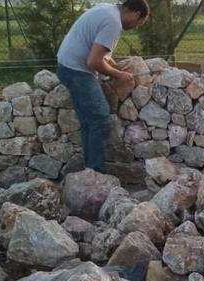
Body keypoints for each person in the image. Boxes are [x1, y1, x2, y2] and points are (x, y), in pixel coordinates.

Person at [56, 0, 150, 173]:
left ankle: (90, 170)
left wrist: (116, 66)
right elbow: (93, 61)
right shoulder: (114, 23)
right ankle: (96, 173)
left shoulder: (108, 9)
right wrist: (119, 75)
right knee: (99, 117)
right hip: (77, 71)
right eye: (140, 23)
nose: (137, 27)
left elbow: (100, 52)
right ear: (136, 14)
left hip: (68, 65)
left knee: (89, 121)